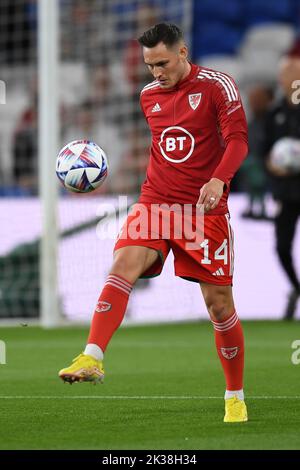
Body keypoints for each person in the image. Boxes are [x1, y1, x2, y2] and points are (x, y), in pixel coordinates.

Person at [59, 23, 249, 423]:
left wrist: (219, 178)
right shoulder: (148, 96)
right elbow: (166, 147)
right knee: (122, 265)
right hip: (156, 203)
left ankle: (234, 395)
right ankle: (92, 356)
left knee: (219, 306)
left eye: (162, 63)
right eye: (149, 66)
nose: (156, 73)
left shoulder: (218, 86)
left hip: (202, 211)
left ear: (183, 52)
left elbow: (237, 141)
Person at [263, 56, 300, 320]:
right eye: (288, 73)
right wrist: (271, 165)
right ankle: (297, 289)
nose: (291, 78)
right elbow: (264, 151)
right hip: (285, 193)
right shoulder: (275, 113)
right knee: (281, 247)